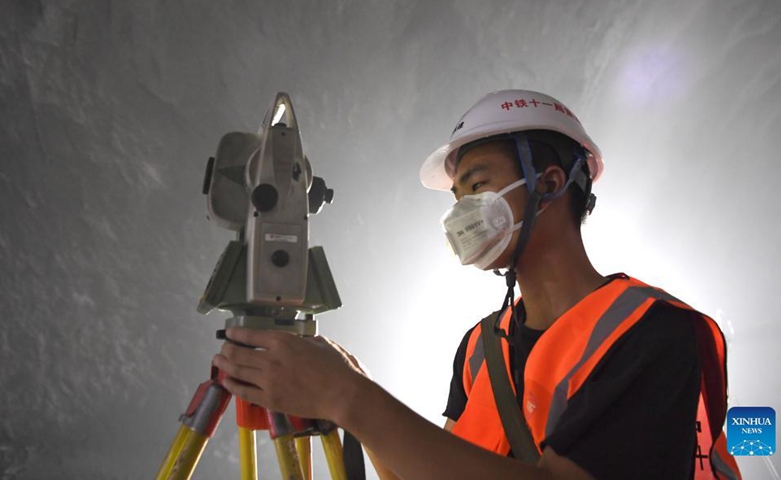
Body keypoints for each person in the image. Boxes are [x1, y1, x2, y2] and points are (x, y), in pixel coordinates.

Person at [212, 90, 740, 479]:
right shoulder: (478, 350)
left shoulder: (650, 332)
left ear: (550, 183)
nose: (461, 212)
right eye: (456, 196)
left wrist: (350, 397)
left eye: (477, 185)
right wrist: (344, 388)